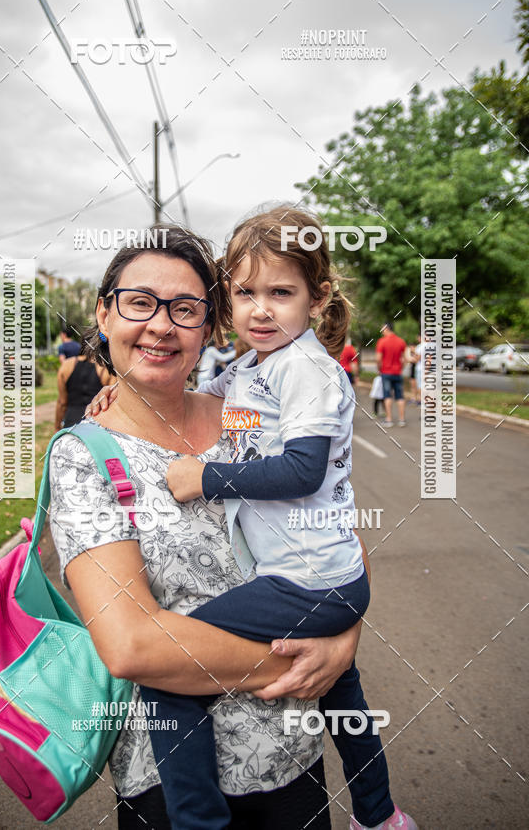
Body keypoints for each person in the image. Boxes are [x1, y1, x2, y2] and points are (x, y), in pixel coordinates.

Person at [51, 226, 363, 830]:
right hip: (172, 784)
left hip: (292, 758)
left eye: (185, 309)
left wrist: (343, 638)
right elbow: (132, 643)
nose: (162, 325)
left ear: (208, 327)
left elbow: (336, 531)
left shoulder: (249, 410)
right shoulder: (82, 455)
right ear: (104, 313)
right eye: (140, 302)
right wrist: (314, 664)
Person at [152, 207, 416, 830]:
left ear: (317, 298)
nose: (260, 310)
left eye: (280, 292)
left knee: (167, 667)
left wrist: (204, 478)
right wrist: (123, 387)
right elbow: (194, 402)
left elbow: (303, 470)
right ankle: (380, 817)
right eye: (245, 293)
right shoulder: (249, 369)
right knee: (341, 698)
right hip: (318, 574)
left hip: (307, 578)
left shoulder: (306, 370)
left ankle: (196, 822)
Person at [54, 352, 113, 430]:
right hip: (95, 426)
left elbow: (62, 402)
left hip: (70, 424)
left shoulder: (66, 365)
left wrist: (57, 428)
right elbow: (112, 403)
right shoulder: (106, 368)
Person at [375, 324, 407, 428]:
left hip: (386, 372)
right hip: (397, 372)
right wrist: (401, 368)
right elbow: (404, 358)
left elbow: (378, 359)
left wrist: (380, 369)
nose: (382, 331)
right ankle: (402, 420)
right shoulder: (401, 341)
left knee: (387, 395)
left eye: (382, 329)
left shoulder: (382, 341)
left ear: (387, 329)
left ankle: (389, 419)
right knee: (400, 396)